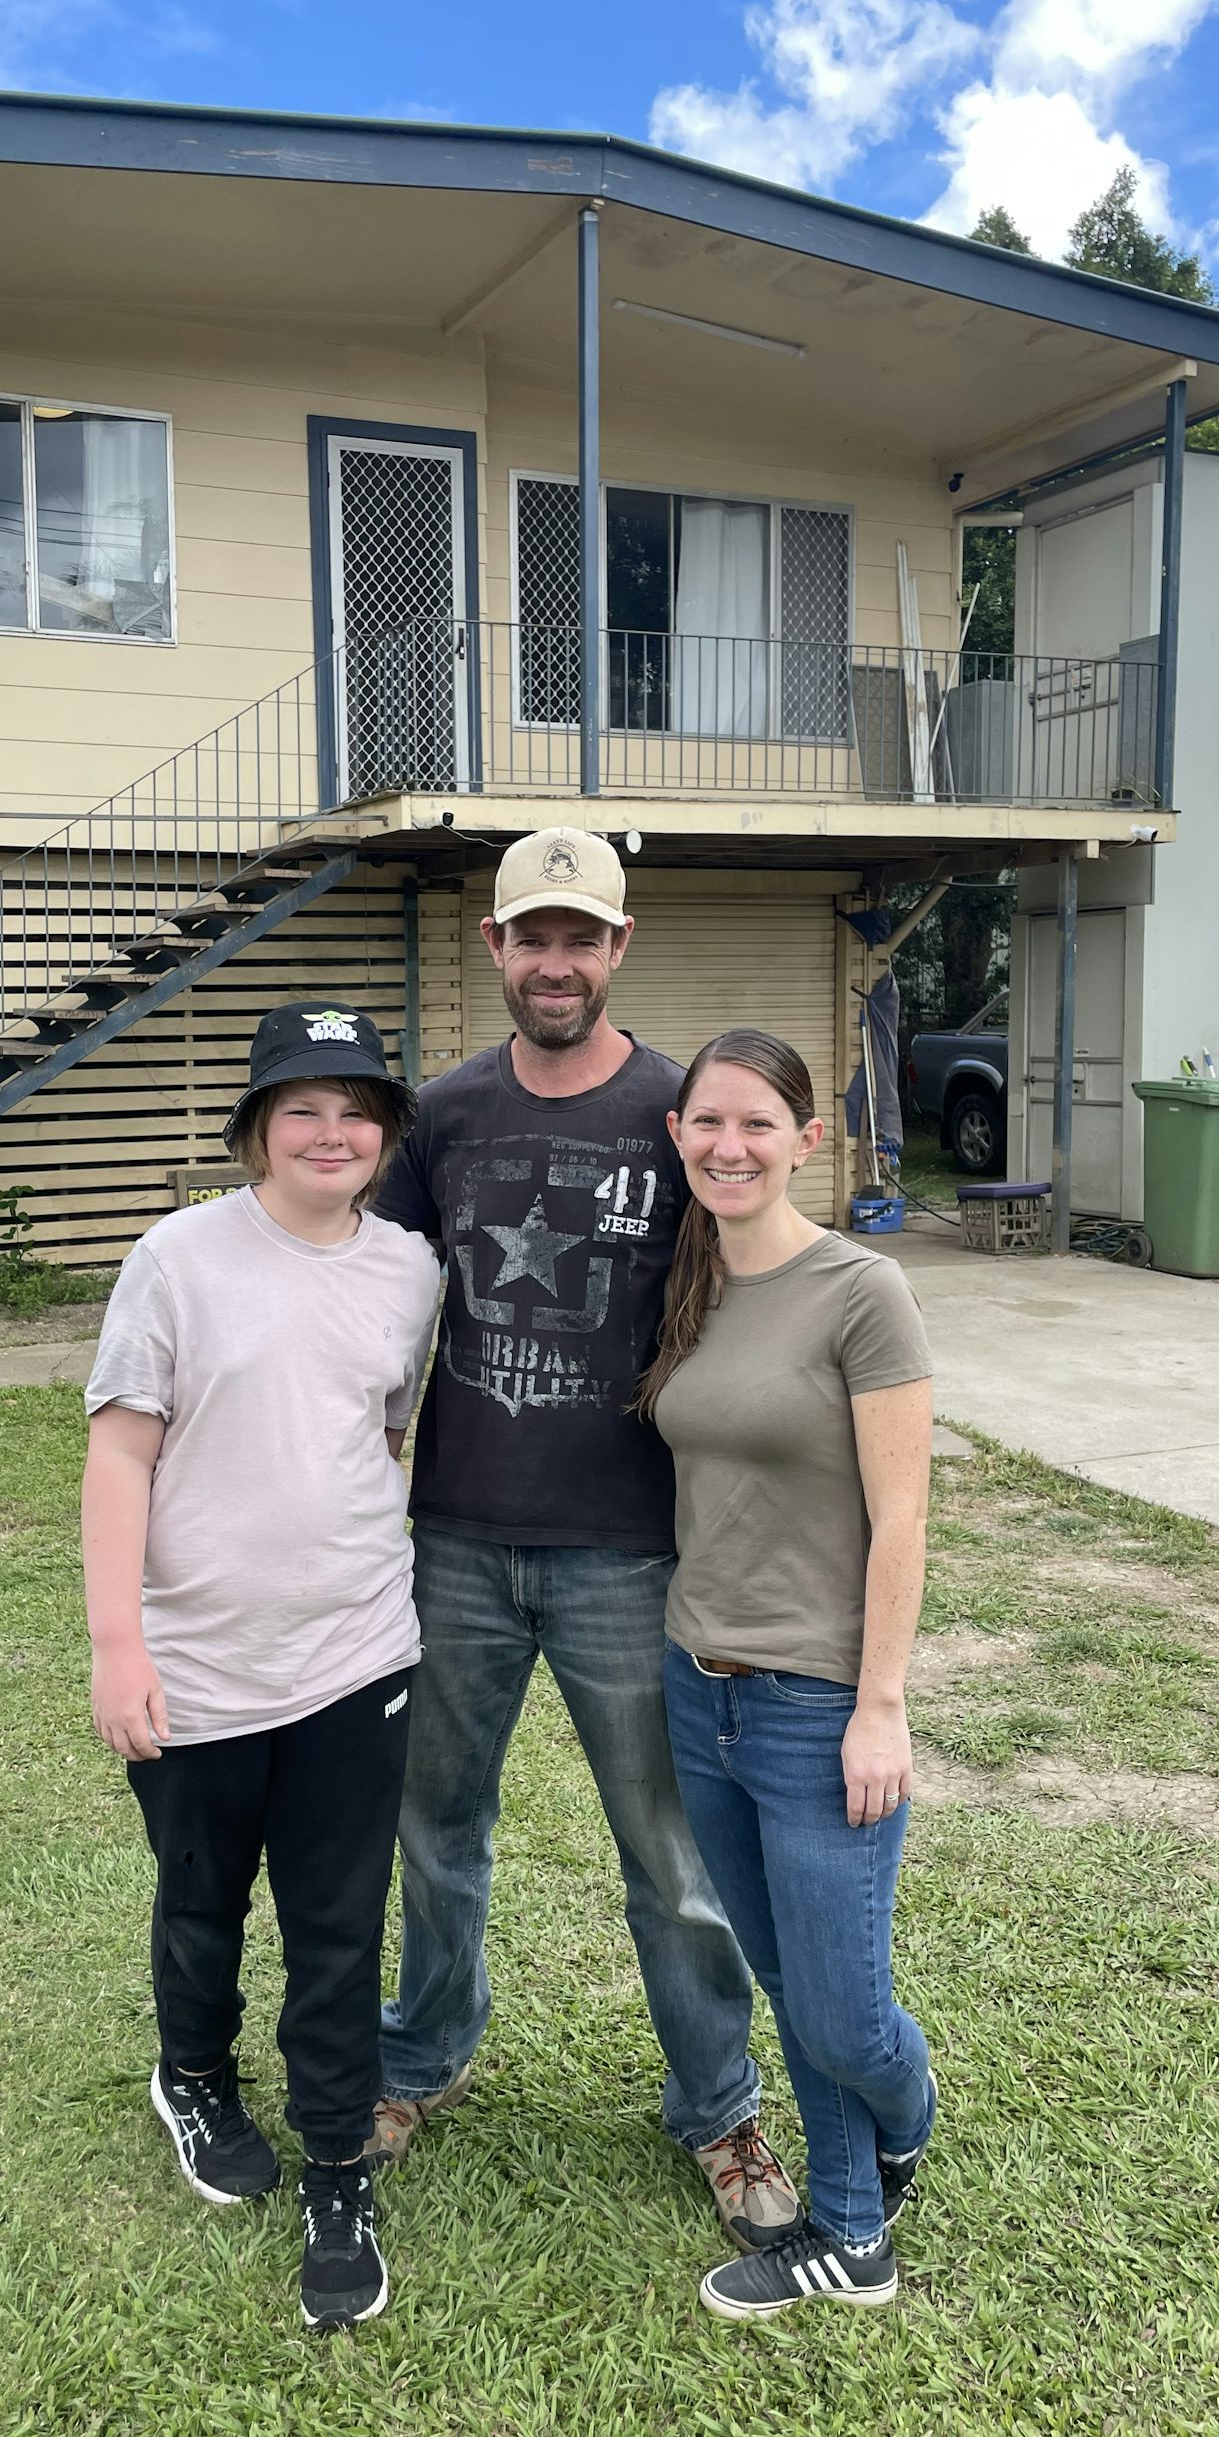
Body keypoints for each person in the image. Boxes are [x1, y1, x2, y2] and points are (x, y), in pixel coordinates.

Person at [369, 829, 800, 2252]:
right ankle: (421, 2056)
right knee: (436, 1829)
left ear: (620, 948)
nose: (555, 962)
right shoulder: (443, 1117)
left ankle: (720, 2106)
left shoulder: (689, 1115)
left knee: (670, 1851)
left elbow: (765, 1290)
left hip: (633, 1546)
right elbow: (379, 1304)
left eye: (582, 936)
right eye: (530, 935)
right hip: (459, 1541)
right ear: (494, 948)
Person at [81, 1001, 440, 2331]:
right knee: (204, 1901)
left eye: (357, 1110)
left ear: (385, 1136)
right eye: (304, 1108)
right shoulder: (177, 1261)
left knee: (342, 1928)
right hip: (200, 1665)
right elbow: (121, 1452)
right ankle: (197, 2078)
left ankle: (338, 2166)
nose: (332, 1131)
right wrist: (120, 1646)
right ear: (255, 1132)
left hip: (358, 1654)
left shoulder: (410, 1272)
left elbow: (382, 1437)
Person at [636, 1026, 937, 2316]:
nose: (730, 1146)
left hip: (817, 1704)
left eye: (759, 1123)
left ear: (809, 1139)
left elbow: (903, 1513)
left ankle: (906, 2112)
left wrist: (880, 1707)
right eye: (707, 1122)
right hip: (697, 1690)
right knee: (785, 1981)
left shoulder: (864, 1292)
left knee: (842, 2013)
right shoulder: (689, 1285)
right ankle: (852, 2229)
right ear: (677, 1137)